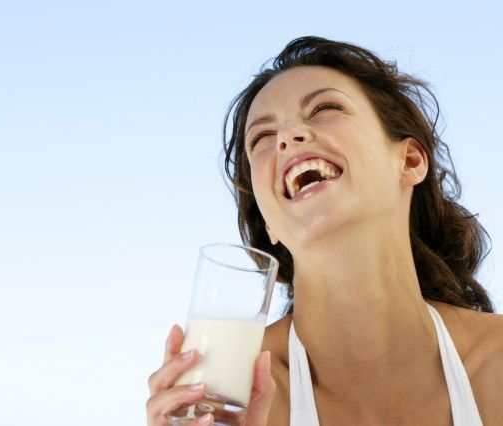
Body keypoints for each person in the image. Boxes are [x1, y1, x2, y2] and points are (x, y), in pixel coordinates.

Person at [146, 36, 503, 425]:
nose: (287, 137)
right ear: (269, 222)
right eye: (262, 139)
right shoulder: (230, 397)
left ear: (410, 161)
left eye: (324, 108)